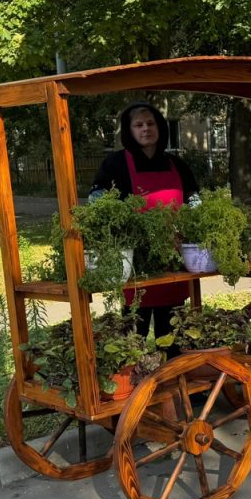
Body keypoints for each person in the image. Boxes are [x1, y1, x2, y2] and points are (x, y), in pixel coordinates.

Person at [90, 102, 199, 341]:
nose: (145, 129)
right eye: (138, 125)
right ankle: (133, 378)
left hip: (173, 260)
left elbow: (195, 202)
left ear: (160, 127)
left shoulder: (178, 166)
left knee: (172, 335)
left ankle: (173, 375)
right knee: (133, 336)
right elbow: (97, 201)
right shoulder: (115, 165)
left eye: (150, 123)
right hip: (135, 263)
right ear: (129, 131)